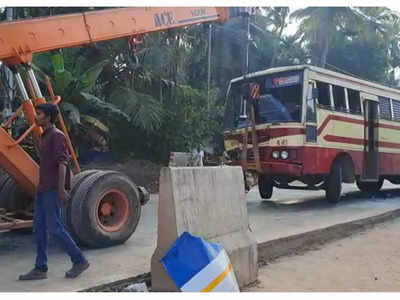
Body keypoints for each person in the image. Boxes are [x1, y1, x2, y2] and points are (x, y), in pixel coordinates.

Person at [19, 103, 89, 280]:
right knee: (39, 229)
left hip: (52, 190)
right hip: (42, 190)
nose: (37, 117)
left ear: (49, 117)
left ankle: (79, 260)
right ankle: (40, 268)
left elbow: (63, 164)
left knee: (55, 228)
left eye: (40, 114)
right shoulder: (45, 136)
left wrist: (61, 190)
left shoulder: (57, 136)